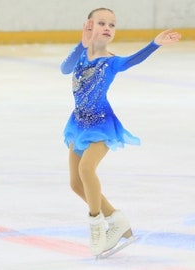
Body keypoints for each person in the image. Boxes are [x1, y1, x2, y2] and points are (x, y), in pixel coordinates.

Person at [60, 7, 181, 257]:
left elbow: (132, 60)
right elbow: (64, 68)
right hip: (79, 124)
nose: (107, 28)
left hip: (102, 125)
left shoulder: (111, 62)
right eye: (102, 23)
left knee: (86, 170)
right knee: (75, 183)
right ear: (89, 26)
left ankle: (96, 225)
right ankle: (116, 219)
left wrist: (153, 44)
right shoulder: (81, 55)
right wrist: (80, 44)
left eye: (112, 25)